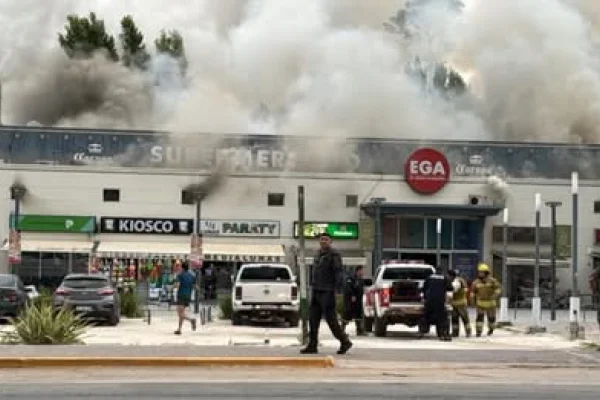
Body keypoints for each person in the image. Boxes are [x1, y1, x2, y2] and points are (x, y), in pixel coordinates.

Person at [301, 233, 353, 355]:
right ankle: (312, 344)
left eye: (326, 239)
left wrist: (338, 290)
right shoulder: (318, 254)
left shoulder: (334, 254)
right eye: (321, 239)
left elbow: (338, 272)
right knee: (313, 318)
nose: (323, 241)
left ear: (330, 241)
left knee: (331, 319)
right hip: (317, 289)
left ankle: (345, 341)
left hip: (328, 290)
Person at [421, 267, 452, 341]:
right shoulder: (445, 278)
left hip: (429, 301)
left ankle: (423, 330)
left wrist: (425, 297)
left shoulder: (429, 277)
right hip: (440, 301)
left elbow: (424, 288)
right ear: (441, 271)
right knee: (442, 318)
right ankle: (443, 334)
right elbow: (450, 288)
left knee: (426, 315)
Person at [470, 263, 501, 337]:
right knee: (479, 318)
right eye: (479, 272)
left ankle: (491, 329)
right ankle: (478, 331)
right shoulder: (475, 282)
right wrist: (472, 301)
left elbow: (498, 289)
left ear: (486, 273)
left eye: (481, 272)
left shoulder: (492, 281)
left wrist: (495, 295)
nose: (480, 273)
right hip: (480, 303)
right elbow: (473, 292)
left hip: (491, 303)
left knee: (491, 318)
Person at [341, 266, 366, 336]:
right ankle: (342, 330)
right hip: (350, 299)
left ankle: (359, 330)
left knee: (358, 314)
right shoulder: (351, 278)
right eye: (361, 271)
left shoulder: (361, 280)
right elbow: (348, 287)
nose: (362, 272)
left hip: (358, 299)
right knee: (347, 313)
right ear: (357, 271)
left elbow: (361, 288)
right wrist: (352, 295)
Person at [174, 262, 197, 335]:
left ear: (182, 267)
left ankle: (191, 320)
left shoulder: (180, 275)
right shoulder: (192, 276)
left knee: (179, 313)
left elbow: (177, 285)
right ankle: (179, 329)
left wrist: (173, 286)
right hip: (188, 296)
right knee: (182, 313)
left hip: (181, 295)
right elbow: (194, 286)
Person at [448, 269, 472, 338]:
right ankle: (455, 333)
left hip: (460, 303)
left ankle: (468, 332)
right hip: (456, 303)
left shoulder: (457, 281)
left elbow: (453, 291)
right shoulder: (460, 280)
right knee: (455, 319)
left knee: (464, 318)